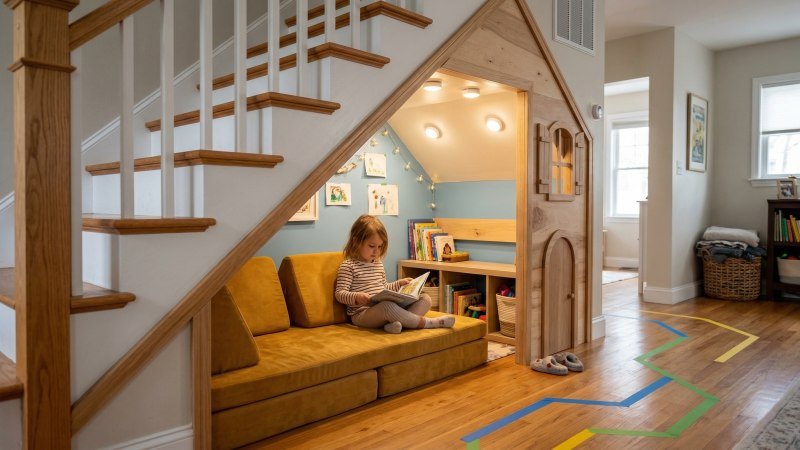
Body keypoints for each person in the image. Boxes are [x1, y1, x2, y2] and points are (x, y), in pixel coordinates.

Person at [335, 214, 455, 334]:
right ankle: (429, 323)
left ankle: (393, 326)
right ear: (356, 241)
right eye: (371, 246)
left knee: (425, 298)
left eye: (380, 246)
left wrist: (399, 284)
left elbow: (383, 288)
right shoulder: (348, 266)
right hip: (362, 314)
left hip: (382, 308)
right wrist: (356, 297)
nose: (376, 251)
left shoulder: (378, 264)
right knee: (387, 306)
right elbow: (340, 293)